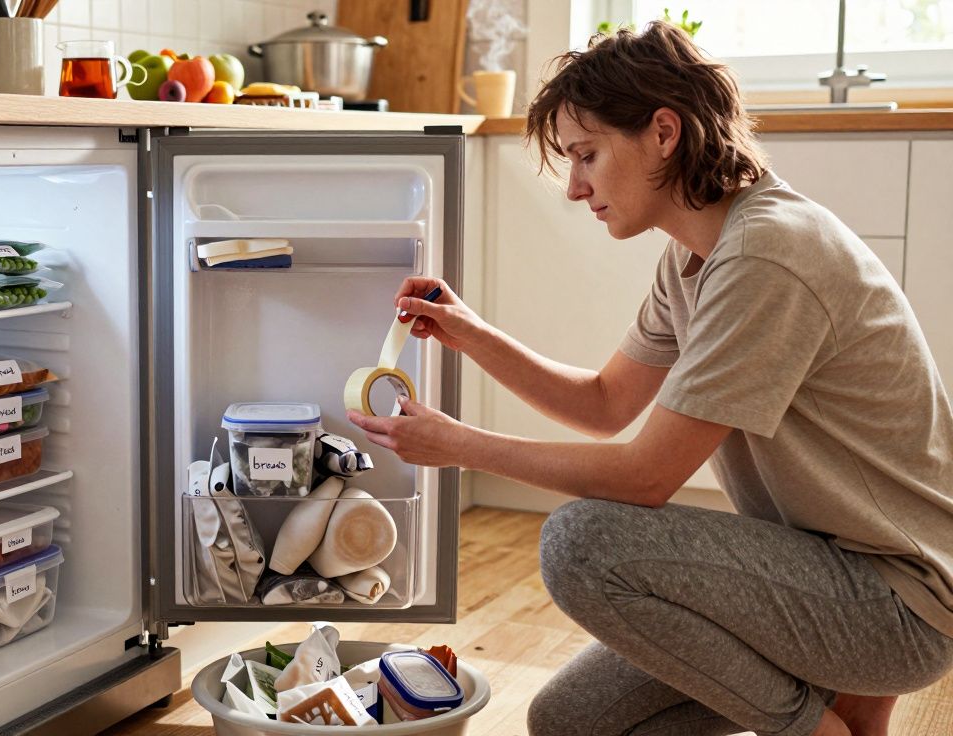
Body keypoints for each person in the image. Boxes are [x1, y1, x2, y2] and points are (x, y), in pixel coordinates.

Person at [346, 21, 953, 736]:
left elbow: (645, 478)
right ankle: (839, 707)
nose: (575, 188)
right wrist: (468, 333)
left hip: (892, 604)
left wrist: (461, 446)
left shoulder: (767, 256)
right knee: (571, 720)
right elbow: (604, 405)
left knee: (580, 544)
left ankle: (816, 729)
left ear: (664, 133)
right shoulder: (694, 256)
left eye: (587, 156)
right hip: (819, 575)